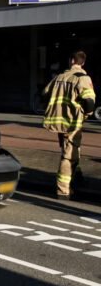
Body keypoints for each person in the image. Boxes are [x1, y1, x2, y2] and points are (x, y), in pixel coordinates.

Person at [43, 50, 96, 200]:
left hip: (58, 122)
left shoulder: (59, 77)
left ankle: (77, 177)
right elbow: (89, 101)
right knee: (68, 156)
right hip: (73, 123)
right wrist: (87, 114)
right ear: (82, 62)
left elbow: (44, 94)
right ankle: (63, 190)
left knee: (69, 150)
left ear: (72, 60)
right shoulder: (83, 78)